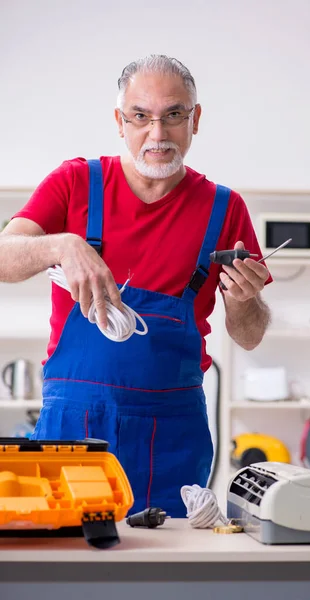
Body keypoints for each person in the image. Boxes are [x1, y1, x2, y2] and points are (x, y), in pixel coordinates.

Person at [0, 55, 272, 517]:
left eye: (173, 115)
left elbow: (249, 335)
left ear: (195, 119)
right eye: (141, 117)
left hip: (173, 436)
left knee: (169, 576)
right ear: (119, 122)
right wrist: (63, 246)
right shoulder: (76, 183)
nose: (158, 134)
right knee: (65, 567)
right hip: (73, 428)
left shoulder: (225, 210)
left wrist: (246, 302)